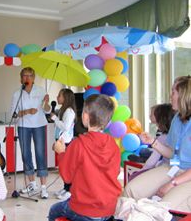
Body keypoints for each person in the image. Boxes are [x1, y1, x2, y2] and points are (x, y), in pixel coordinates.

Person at [48, 94, 122, 221]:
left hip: (84, 209)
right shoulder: (113, 144)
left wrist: (61, 152)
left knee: (54, 210)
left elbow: (67, 176)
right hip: (109, 208)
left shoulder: (79, 144)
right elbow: (115, 172)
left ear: (85, 116)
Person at [123, 76, 191, 212]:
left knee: (163, 207)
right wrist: (153, 142)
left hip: (188, 175)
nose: (170, 96)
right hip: (174, 167)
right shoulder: (177, 119)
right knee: (131, 190)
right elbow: (172, 153)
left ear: (183, 96)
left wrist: (172, 183)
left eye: (173, 92)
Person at [10, 67, 51, 199]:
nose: (27, 78)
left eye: (29, 76)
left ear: (33, 78)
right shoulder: (17, 93)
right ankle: (32, 184)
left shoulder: (41, 91)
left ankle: (44, 187)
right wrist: (26, 112)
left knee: (40, 153)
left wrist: (46, 103)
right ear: (21, 78)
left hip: (39, 125)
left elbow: (47, 111)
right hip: (23, 126)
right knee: (26, 154)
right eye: (24, 76)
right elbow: (13, 114)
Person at [129, 103, 175, 181]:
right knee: (145, 151)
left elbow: (153, 160)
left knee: (144, 151)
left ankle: (142, 159)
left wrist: (142, 171)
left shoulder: (163, 137)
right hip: (165, 164)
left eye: (152, 114)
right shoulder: (169, 134)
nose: (150, 116)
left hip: (164, 166)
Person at [51, 88, 76, 200]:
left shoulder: (69, 112)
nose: (57, 97)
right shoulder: (63, 110)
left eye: (59, 95)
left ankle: (69, 190)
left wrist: (55, 118)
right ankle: (65, 188)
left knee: (67, 167)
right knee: (62, 167)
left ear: (65, 98)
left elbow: (65, 126)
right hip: (60, 142)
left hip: (66, 143)